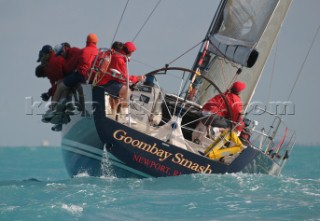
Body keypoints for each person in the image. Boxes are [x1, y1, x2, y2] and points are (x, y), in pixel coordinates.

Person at [43, 33, 99, 121]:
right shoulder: (96, 51)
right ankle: (73, 107)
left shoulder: (79, 51)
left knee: (60, 85)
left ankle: (53, 109)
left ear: (64, 49)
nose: (61, 55)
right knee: (70, 84)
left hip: (81, 74)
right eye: (59, 55)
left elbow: (71, 65)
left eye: (61, 53)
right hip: (87, 75)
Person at [97, 41, 145, 120]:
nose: (132, 53)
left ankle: (115, 115)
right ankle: (125, 116)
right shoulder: (120, 59)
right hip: (107, 82)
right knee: (127, 91)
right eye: (132, 52)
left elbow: (121, 76)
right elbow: (124, 76)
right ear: (129, 51)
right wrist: (138, 78)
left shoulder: (119, 56)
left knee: (121, 92)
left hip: (108, 80)